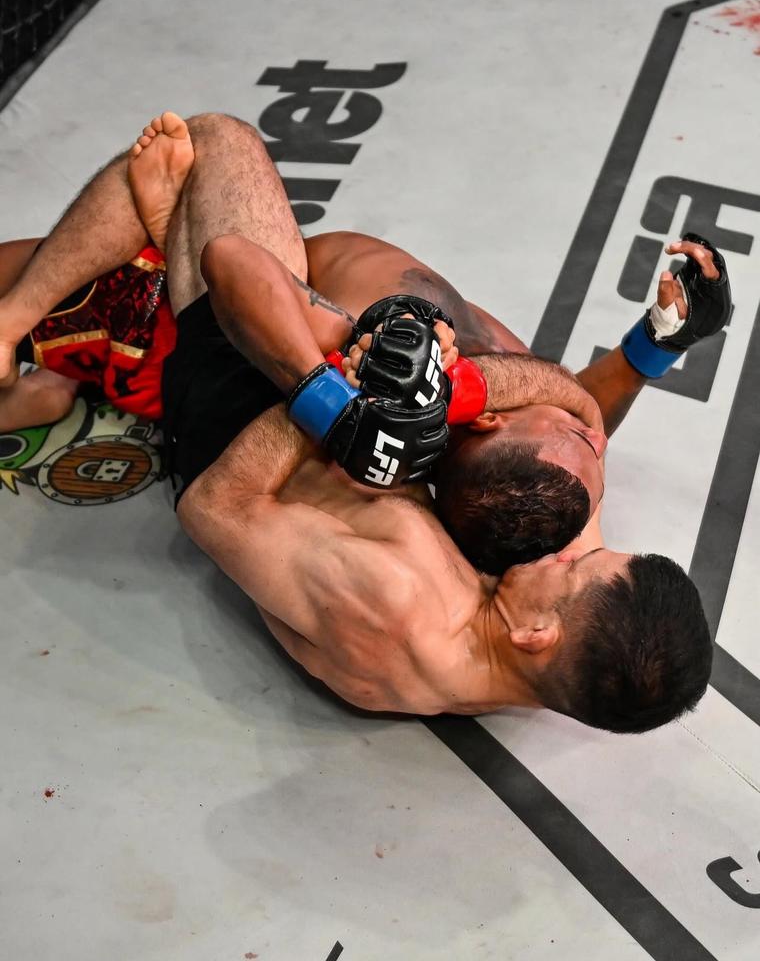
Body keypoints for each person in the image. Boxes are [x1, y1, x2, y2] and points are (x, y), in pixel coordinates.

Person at [0, 112, 723, 730]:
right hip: (323, 361)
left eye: (574, 566)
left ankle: (33, 321)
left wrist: (338, 409)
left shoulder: (394, 609)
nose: (570, 548)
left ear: (537, 634)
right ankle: (169, 251)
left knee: (213, 143)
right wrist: (652, 347)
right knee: (518, 395)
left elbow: (214, 508)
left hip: (242, 409)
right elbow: (569, 442)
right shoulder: (553, 627)